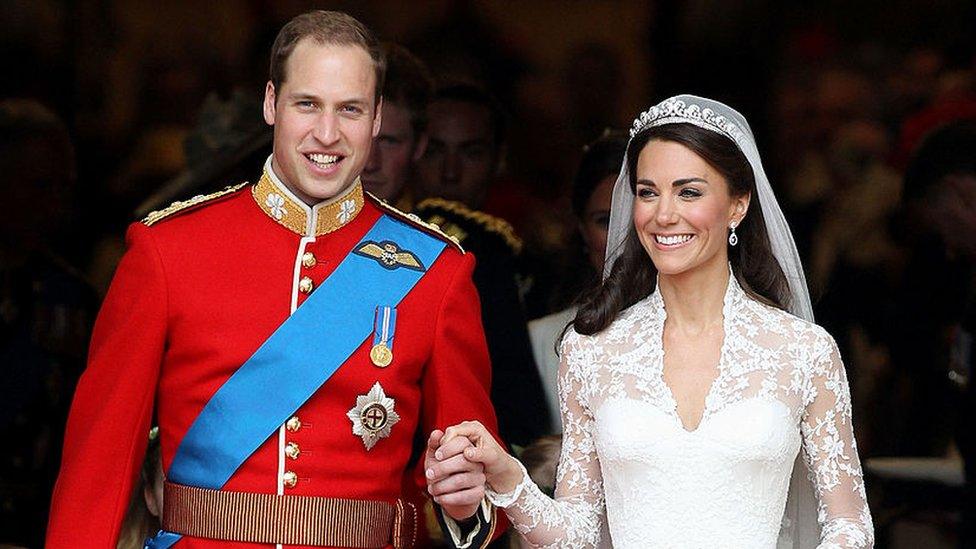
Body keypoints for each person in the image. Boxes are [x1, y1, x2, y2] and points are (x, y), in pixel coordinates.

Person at [47, 11, 502, 548]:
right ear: (271, 103)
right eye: (307, 104)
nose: (327, 134)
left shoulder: (437, 273)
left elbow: (478, 495)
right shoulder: (167, 251)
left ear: (378, 119)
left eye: (350, 110)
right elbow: (97, 467)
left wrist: (465, 506)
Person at [426, 95, 875, 548]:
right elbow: (578, 534)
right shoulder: (591, 350)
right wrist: (508, 477)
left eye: (689, 191)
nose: (663, 214)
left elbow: (850, 524)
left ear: (738, 204)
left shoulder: (803, 350)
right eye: (647, 192)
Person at [414, 84, 551, 446]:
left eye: (470, 153)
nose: (450, 172)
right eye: (433, 151)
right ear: (413, 152)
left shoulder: (513, 259)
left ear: (499, 158)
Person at [527, 130, 626, 433]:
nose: (622, 237)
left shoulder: (700, 332)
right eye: (605, 221)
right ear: (581, 229)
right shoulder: (541, 340)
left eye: (633, 216)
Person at [361, 43, 432, 210]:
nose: (370, 163)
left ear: (419, 146)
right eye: (360, 139)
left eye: (389, 142)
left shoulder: (444, 235)